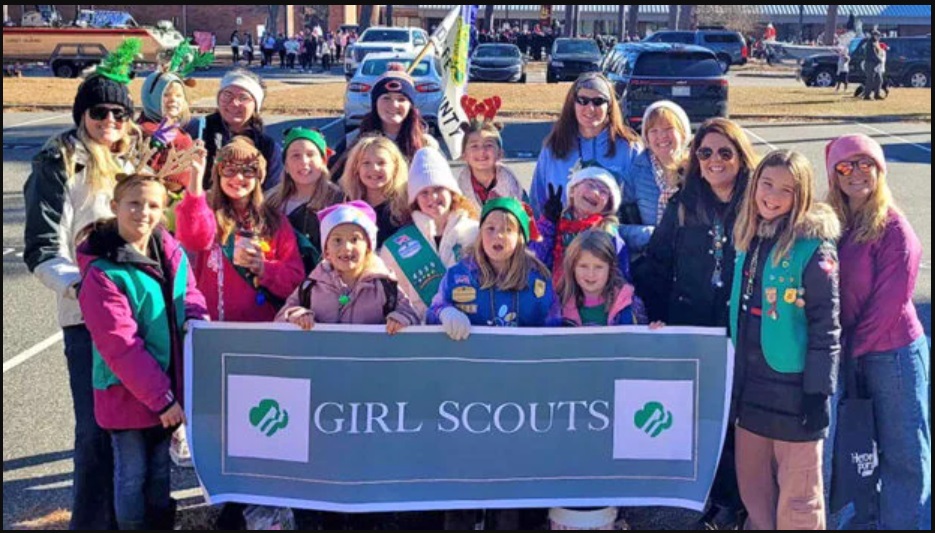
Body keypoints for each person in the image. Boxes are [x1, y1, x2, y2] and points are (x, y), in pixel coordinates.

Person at [23, 51, 141, 529]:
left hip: (138, 317)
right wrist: (85, 290)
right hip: (88, 321)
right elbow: (41, 248)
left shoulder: (131, 160)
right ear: (81, 114)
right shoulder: (58, 161)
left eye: (119, 113)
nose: (109, 121)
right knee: (95, 430)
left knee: (133, 426)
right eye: (99, 111)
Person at [635, 118, 760, 529]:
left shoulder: (757, 204)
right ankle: (711, 497)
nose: (714, 160)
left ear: (741, 157)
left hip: (741, 327)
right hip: (692, 324)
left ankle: (739, 500)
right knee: (703, 414)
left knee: (738, 415)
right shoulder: (684, 203)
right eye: (705, 152)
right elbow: (657, 262)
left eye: (725, 152)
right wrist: (656, 317)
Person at [77, 168, 209, 530]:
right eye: (134, 203)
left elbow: (190, 293)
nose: (143, 212)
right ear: (115, 206)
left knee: (160, 471)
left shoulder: (171, 251)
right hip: (128, 393)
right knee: (131, 476)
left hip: (167, 387)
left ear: (164, 210)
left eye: (152, 205)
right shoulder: (102, 271)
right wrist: (162, 399)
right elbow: (121, 345)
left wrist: (196, 319)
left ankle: (160, 523)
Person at [429, 197, 560, 530]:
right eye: (490, 228)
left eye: (507, 229)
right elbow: (433, 310)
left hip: (515, 395)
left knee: (507, 475)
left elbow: (553, 328)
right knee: (462, 472)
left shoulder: (538, 280)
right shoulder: (459, 274)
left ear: (520, 237)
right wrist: (445, 312)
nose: (497, 236)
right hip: (466, 393)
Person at [730, 149, 841, 530]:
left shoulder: (814, 249)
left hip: (795, 389)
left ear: (801, 195)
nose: (773, 196)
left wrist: (818, 392)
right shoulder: (750, 238)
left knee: (799, 496)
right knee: (754, 487)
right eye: (767, 184)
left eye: (786, 190)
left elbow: (826, 326)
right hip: (751, 386)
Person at [826, 134, 931, 530]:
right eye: (845, 166)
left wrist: (844, 350)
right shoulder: (834, 223)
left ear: (880, 170)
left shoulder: (894, 229)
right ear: (834, 175)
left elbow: (888, 307)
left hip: (893, 355)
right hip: (855, 351)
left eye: (865, 163)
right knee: (860, 447)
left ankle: (903, 523)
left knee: (903, 453)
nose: (856, 173)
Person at [174, 136, 304, 323]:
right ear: (218, 175)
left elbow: (295, 280)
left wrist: (264, 269)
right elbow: (192, 238)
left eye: (248, 170)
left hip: (260, 327)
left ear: (259, 177)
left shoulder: (274, 221)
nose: (238, 177)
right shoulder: (207, 213)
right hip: (212, 325)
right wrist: (195, 181)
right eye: (229, 169)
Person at [275, 200, 420, 333]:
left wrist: (400, 318)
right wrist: (297, 315)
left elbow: (411, 315)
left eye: (355, 239)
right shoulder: (311, 286)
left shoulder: (385, 285)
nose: (346, 247)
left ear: (368, 247)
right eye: (337, 240)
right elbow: (281, 318)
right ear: (326, 250)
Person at [381, 147, 479, 319]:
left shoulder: (475, 233)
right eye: (424, 193)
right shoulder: (396, 246)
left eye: (438, 189)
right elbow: (394, 298)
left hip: (470, 326)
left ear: (451, 191)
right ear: (415, 199)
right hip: (419, 329)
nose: (432, 197)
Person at [530, 73, 641, 219]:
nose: (590, 108)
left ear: (609, 106)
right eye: (583, 100)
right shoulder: (553, 148)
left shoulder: (630, 150)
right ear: (573, 104)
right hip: (561, 232)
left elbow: (643, 205)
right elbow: (537, 203)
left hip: (613, 232)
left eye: (598, 101)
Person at [185, 69, 283, 192]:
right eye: (227, 95)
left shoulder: (267, 148)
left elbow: (272, 193)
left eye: (243, 97)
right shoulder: (198, 130)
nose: (234, 103)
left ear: (256, 106)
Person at [532, 167, 630, 287]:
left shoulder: (608, 233)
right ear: (572, 191)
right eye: (590, 184)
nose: (596, 192)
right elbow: (533, 261)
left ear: (608, 205)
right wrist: (548, 223)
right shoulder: (558, 223)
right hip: (550, 292)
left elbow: (620, 278)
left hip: (590, 295)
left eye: (603, 191)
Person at [265, 127, 344, 275]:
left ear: (323, 161)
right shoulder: (270, 202)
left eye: (310, 154)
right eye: (296, 155)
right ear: (286, 165)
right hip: (281, 279)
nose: (304, 162)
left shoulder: (339, 201)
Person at [621, 100, 692, 253]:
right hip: (651, 256)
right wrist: (652, 235)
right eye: (654, 131)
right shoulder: (636, 171)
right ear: (646, 137)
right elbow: (616, 224)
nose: (662, 136)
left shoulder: (697, 169)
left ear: (683, 133)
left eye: (669, 128)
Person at [559, 230, 655, 327]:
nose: (591, 274)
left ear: (610, 268)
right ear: (572, 267)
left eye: (599, 267)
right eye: (583, 266)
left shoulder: (629, 303)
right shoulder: (559, 305)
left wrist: (654, 329)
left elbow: (643, 333)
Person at [456, 95, 528, 211]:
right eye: (474, 146)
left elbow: (524, 218)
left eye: (488, 145)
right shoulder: (460, 188)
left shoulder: (512, 186)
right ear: (464, 155)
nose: (481, 151)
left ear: (500, 153)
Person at [338, 135, 410, 249]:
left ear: (395, 167)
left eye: (381, 163)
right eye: (366, 163)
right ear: (356, 168)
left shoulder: (406, 207)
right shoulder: (346, 206)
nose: (374, 168)